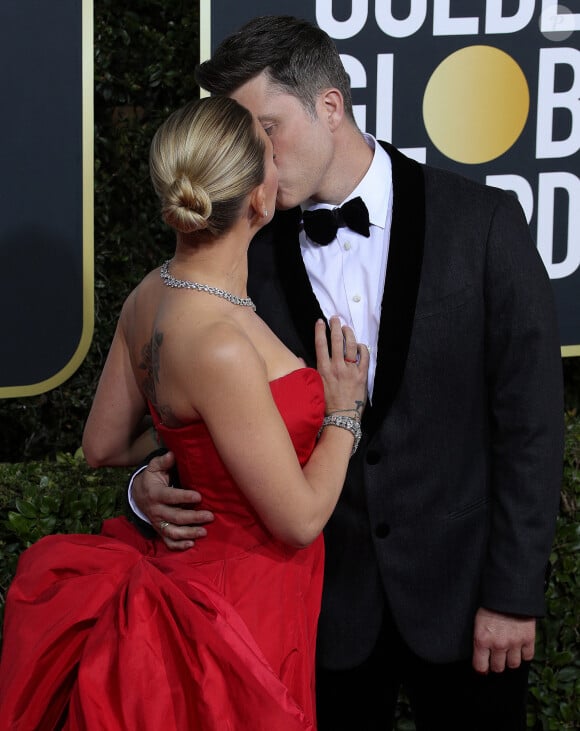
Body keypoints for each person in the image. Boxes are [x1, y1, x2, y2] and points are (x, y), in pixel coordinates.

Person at [129, 15, 565, 731]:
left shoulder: (484, 223)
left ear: (330, 106)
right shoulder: (240, 251)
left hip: (466, 601)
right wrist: (148, 486)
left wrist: (514, 593)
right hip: (315, 612)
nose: (253, 160)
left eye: (266, 130)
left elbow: (532, 425)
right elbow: (202, 411)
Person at [0, 95, 369, 730]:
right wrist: (343, 413)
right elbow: (302, 519)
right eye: (268, 154)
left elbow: (104, 446)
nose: (280, 161)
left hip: (201, 580)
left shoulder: (150, 293)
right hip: (237, 613)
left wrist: (176, 456)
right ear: (257, 200)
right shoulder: (220, 344)